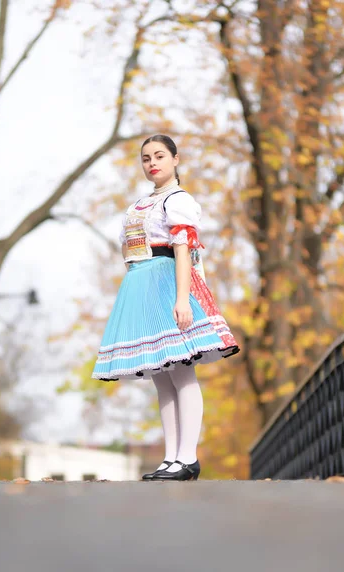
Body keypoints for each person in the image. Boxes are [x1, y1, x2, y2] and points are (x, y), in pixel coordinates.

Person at [92, 134, 239, 481]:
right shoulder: (140, 205)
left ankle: (187, 456)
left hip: (167, 281)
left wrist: (182, 297)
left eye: (159, 155)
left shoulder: (178, 200)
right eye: (146, 158)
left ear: (175, 159)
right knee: (162, 378)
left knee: (182, 372)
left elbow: (183, 249)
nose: (152, 162)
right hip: (140, 286)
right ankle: (171, 457)